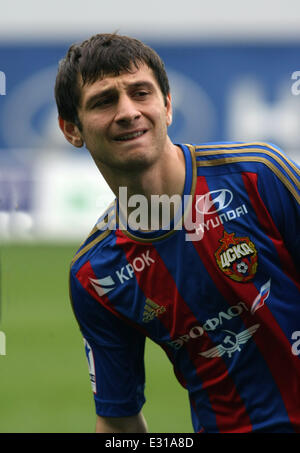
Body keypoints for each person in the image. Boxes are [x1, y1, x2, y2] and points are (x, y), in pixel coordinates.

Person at [55, 33, 300, 433]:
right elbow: (118, 421)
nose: (128, 111)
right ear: (71, 130)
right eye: (104, 101)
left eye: (140, 93)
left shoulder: (259, 174)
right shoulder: (95, 274)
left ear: (167, 106)